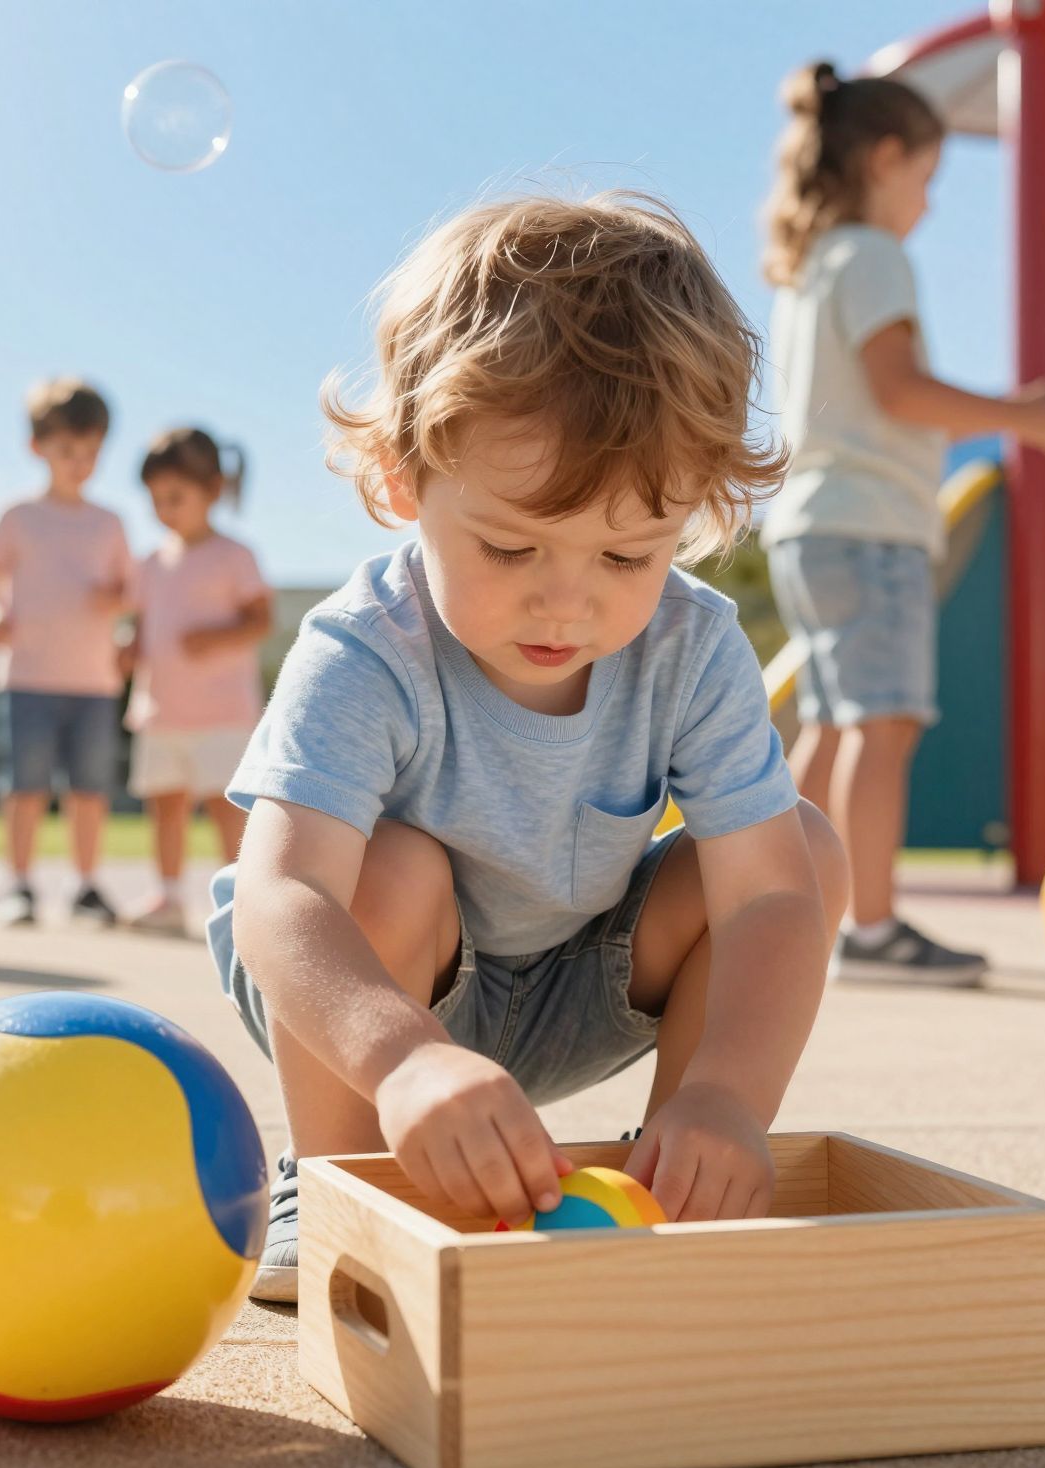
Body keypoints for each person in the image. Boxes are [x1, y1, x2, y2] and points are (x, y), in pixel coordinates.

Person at [207, 191, 849, 1303]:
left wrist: (729, 1096)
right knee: (392, 869)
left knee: (803, 847)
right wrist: (404, 1059)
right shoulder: (365, 648)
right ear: (404, 478)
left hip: (581, 981)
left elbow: (768, 901)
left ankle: (675, 1174)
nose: (566, 603)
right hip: (378, 998)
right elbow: (280, 898)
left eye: (626, 557)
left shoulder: (693, 647)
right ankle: (336, 1178)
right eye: (510, 548)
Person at [759, 61, 1045, 985]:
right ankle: (873, 929)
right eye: (926, 179)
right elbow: (897, 389)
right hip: (870, 526)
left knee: (829, 727)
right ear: (885, 158)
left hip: (808, 525)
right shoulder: (871, 255)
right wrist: (1020, 417)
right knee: (883, 725)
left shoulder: (813, 266)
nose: (928, 205)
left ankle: (777, 910)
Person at [0, 378, 134, 927]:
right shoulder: (16, 515)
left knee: (90, 790)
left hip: (94, 680)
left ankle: (87, 887)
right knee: (25, 787)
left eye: (91, 452)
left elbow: (130, 592)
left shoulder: (110, 523)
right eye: (67, 450)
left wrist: (117, 602)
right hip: (25, 676)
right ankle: (18, 885)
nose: (80, 463)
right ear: (37, 447)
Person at [122, 427, 271, 936]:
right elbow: (142, 625)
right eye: (155, 500)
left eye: (175, 497)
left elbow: (259, 620)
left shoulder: (235, 555)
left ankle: (244, 901)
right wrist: (129, 648)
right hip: (159, 710)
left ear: (212, 490)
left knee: (226, 810)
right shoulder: (149, 563)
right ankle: (167, 899)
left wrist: (216, 637)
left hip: (222, 714)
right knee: (165, 807)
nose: (164, 510)